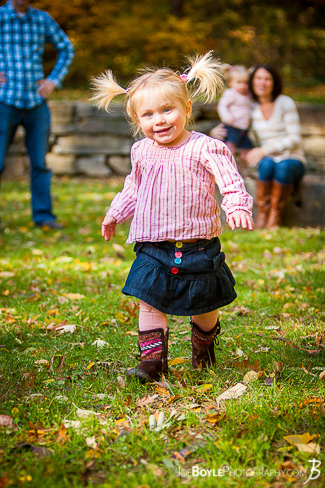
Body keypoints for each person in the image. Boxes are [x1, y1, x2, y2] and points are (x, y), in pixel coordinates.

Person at [92, 52, 254, 384]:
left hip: (198, 247)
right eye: (148, 114)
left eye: (168, 110)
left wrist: (237, 205)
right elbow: (134, 187)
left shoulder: (207, 147)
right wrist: (115, 212)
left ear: (187, 109)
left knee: (203, 305)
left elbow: (230, 181)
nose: (160, 120)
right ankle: (152, 364)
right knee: (149, 301)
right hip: (153, 245)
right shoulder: (141, 151)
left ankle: (203, 348)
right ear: (138, 120)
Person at [0, 0, 74, 228]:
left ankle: (43, 217)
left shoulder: (42, 19)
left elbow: (66, 48)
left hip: (35, 102)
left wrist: (53, 80)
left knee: (40, 163)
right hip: (5, 101)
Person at [245, 65, 306, 228]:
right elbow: (238, 128)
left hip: (293, 160)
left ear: (274, 82)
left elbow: (295, 139)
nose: (262, 82)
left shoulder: (284, 102)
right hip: (269, 162)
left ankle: (275, 216)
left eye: (267, 78)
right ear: (252, 82)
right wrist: (220, 130)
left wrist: (265, 150)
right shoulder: (252, 108)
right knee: (266, 164)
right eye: (258, 78)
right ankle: (262, 214)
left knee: (283, 166)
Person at [216, 65, 253, 175]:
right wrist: (226, 116)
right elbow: (222, 106)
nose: (243, 86)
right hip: (232, 126)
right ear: (230, 83)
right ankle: (228, 170)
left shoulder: (247, 95)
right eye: (239, 82)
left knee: (247, 149)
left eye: (245, 83)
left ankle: (243, 167)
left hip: (243, 128)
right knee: (229, 150)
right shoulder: (230, 94)